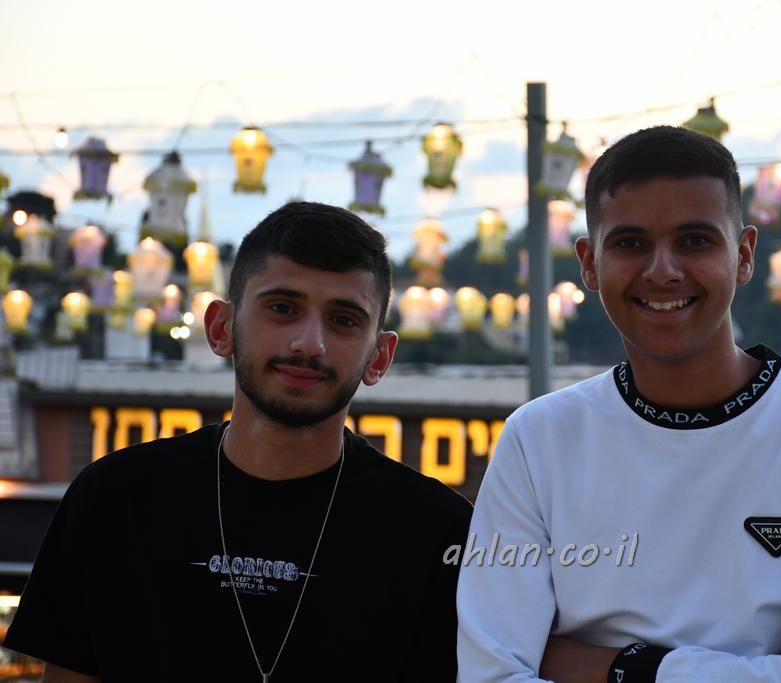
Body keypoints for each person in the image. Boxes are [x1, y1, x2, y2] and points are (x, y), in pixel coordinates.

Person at [456, 126, 781, 682]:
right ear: (588, 263)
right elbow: (490, 675)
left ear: (743, 255)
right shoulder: (538, 441)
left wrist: (624, 668)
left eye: (695, 241)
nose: (663, 270)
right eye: (630, 243)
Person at [5, 202, 472, 682]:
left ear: (380, 356)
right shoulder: (112, 499)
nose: (309, 343)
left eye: (344, 319)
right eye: (283, 308)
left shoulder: (440, 534)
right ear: (220, 328)